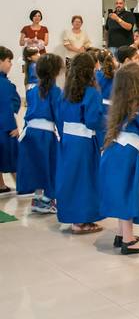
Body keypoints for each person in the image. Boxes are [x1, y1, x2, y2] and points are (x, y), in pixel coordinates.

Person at [99, 63, 139, 254]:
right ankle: (128, 241)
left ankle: (121, 235)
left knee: (121, 193)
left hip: (113, 152)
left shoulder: (119, 104)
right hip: (126, 156)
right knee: (128, 195)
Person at [56, 53, 105, 234]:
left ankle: (74, 217)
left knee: (71, 179)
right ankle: (81, 221)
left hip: (68, 139)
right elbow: (93, 120)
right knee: (85, 180)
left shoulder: (65, 92)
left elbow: (59, 117)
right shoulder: (91, 92)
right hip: (84, 141)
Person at [17, 53, 63, 212]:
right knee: (51, 166)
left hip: (30, 132)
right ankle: (48, 199)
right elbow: (58, 116)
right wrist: (63, 136)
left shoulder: (31, 90)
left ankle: (37, 198)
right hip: (46, 135)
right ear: (55, 72)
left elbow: (28, 113)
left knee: (36, 166)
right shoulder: (55, 91)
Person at [0, 47, 21, 194]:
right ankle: (22, 185)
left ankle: (1, 185)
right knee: (14, 156)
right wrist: (13, 126)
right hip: (5, 127)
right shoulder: (4, 84)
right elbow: (6, 107)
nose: (10, 64)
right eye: (8, 61)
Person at [95, 50, 116, 117]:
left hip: (100, 108)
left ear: (98, 61)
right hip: (115, 107)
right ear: (113, 59)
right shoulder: (118, 74)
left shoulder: (96, 75)